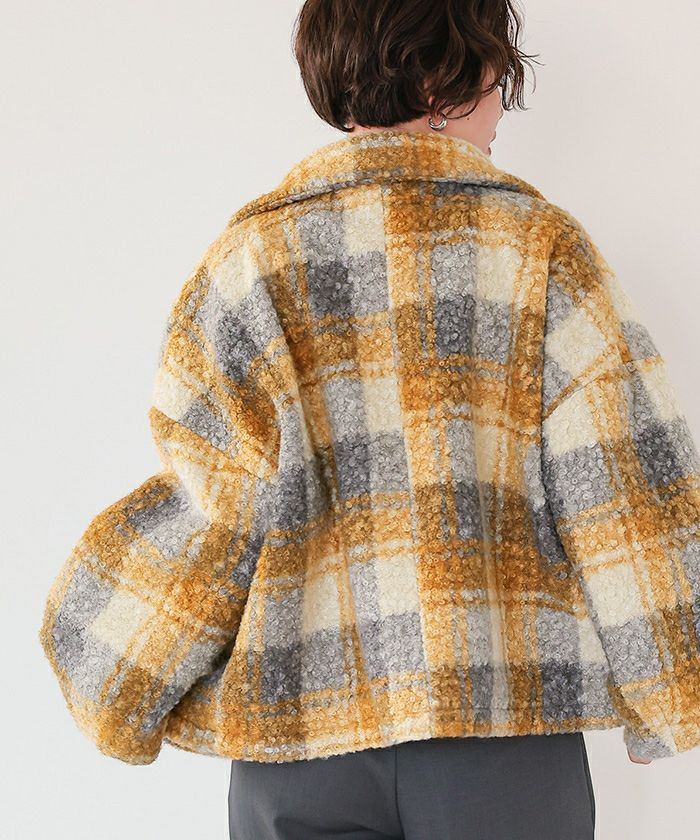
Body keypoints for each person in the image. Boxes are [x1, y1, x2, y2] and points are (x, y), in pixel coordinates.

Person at [38, 1, 700, 839]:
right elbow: (622, 492)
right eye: (497, 76)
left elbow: (220, 504)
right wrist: (666, 690)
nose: (501, 108)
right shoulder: (540, 249)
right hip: (499, 732)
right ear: (444, 79)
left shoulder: (252, 262)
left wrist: (120, 676)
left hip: (297, 740)